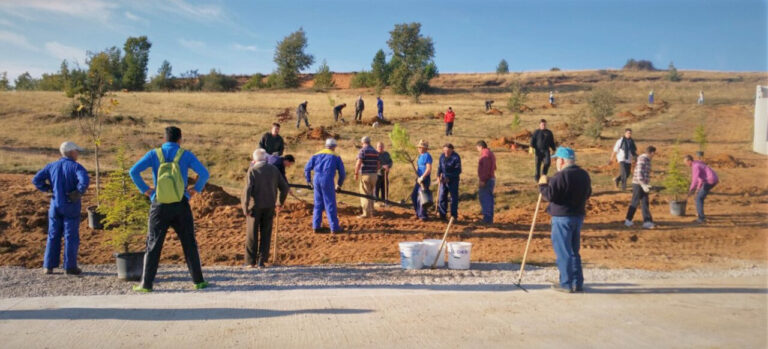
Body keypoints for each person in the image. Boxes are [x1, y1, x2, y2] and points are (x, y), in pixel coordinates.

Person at [129, 126, 210, 292]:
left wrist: (147, 191)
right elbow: (204, 173)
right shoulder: (185, 154)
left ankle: (146, 284)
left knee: (153, 243)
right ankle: (198, 281)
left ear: (164, 139)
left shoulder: (154, 154)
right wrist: (194, 191)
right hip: (181, 203)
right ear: (180, 139)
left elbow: (133, 171)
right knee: (189, 243)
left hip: (159, 204)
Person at [538, 147, 592, 293]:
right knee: (574, 251)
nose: (556, 162)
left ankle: (566, 284)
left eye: (556, 159)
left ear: (561, 161)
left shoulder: (560, 176)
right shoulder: (583, 175)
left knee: (563, 251)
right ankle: (577, 282)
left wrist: (542, 185)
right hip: (578, 216)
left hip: (562, 217)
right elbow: (588, 193)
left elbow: (549, 195)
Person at [32, 141, 90, 275]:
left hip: (55, 204)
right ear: (71, 152)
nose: (78, 154)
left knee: (53, 234)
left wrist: (47, 189)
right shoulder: (76, 167)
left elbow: (36, 180)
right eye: (77, 151)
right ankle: (69, 267)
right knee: (70, 235)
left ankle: (48, 266)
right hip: (71, 205)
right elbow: (84, 181)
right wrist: (78, 192)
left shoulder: (52, 165)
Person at [242, 149, 289, 268]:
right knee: (266, 233)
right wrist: (280, 202)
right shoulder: (274, 169)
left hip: (255, 206)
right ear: (266, 159)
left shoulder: (252, 170)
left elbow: (247, 190)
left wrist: (245, 207)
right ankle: (261, 261)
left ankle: (250, 261)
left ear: (254, 160)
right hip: (269, 206)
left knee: (252, 234)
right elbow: (284, 188)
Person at [305, 138, 346, 233]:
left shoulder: (316, 154)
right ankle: (334, 228)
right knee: (330, 203)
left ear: (326, 145)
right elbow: (342, 173)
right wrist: (339, 185)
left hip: (316, 179)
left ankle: (316, 226)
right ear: (334, 147)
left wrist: (308, 181)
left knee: (318, 203)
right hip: (327, 179)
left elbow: (307, 168)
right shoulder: (336, 156)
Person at [624, 146, 656, 229]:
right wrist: (642, 184)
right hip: (638, 184)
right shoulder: (643, 159)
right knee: (635, 201)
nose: (654, 155)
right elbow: (639, 172)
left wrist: (645, 184)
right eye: (654, 153)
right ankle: (628, 220)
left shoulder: (646, 160)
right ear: (652, 152)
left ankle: (647, 221)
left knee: (645, 202)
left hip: (642, 184)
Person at [685, 155, 719, 223]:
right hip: (712, 179)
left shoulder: (695, 166)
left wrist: (691, 190)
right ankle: (700, 214)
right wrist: (697, 189)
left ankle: (701, 218)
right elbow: (700, 179)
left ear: (689, 161)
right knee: (699, 197)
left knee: (698, 198)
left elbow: (694, 180)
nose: (685, 164)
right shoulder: (697, 163)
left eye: (685, 162)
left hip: (710, 181)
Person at [354, 136, 380, 218]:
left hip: (366, 174)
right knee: (371, 193)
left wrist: (356, 173)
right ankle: (372, 211)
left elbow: (358, 163)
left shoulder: (363, 151)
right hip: (374, 175)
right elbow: (379, 165)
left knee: (365, 194)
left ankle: (366, 213)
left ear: (363, 142)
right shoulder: (375, 152)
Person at [437, 143, 462, 221]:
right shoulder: (442, 156)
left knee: (453, 198)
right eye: (444, 150)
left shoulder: (456, 157)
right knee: (442, 196)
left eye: (447, 151)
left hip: (453, 180)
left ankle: (453, 216)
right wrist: (438, 176)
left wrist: (449, 177)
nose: (446, 152)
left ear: (452, 150)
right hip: (443, 180)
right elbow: (440, 167)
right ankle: (442, 215)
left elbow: (458, 170)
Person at [412, 140, 433, 221]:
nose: (419, 149)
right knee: (414, 196)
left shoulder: (427, 156)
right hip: (419, 179)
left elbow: (428, 169)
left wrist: (422, 177)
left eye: (421, 147)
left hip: (425, 179)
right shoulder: (420, 156)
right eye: (419, 147)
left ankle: (423, 216)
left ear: (425, 148)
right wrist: (418, 177)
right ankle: (418, 213)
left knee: (422, 197)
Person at [476, 140, 496, 224]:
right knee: (488, 198)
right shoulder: (490, 153)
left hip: (487, 180)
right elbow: (494, 167)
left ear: (480, 147)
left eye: (477, 148)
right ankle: (488, 217)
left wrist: (483, 180)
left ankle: (487, 218)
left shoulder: (485, 154)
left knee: (485, 198)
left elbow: (486, 168)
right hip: (490, 178)